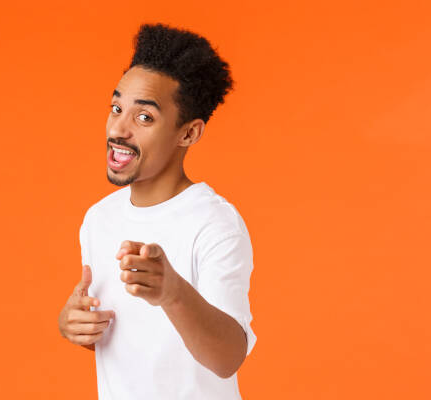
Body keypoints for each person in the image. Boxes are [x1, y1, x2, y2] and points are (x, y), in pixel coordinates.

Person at [58, 22, 257, 399]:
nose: (119, 128)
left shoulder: (214, 224)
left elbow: (228, 357)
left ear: (189, 133)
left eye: (144, 117)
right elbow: (138, 342)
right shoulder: (98, 219)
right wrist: (76, 325)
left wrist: (173, 293)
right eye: (116, 107)